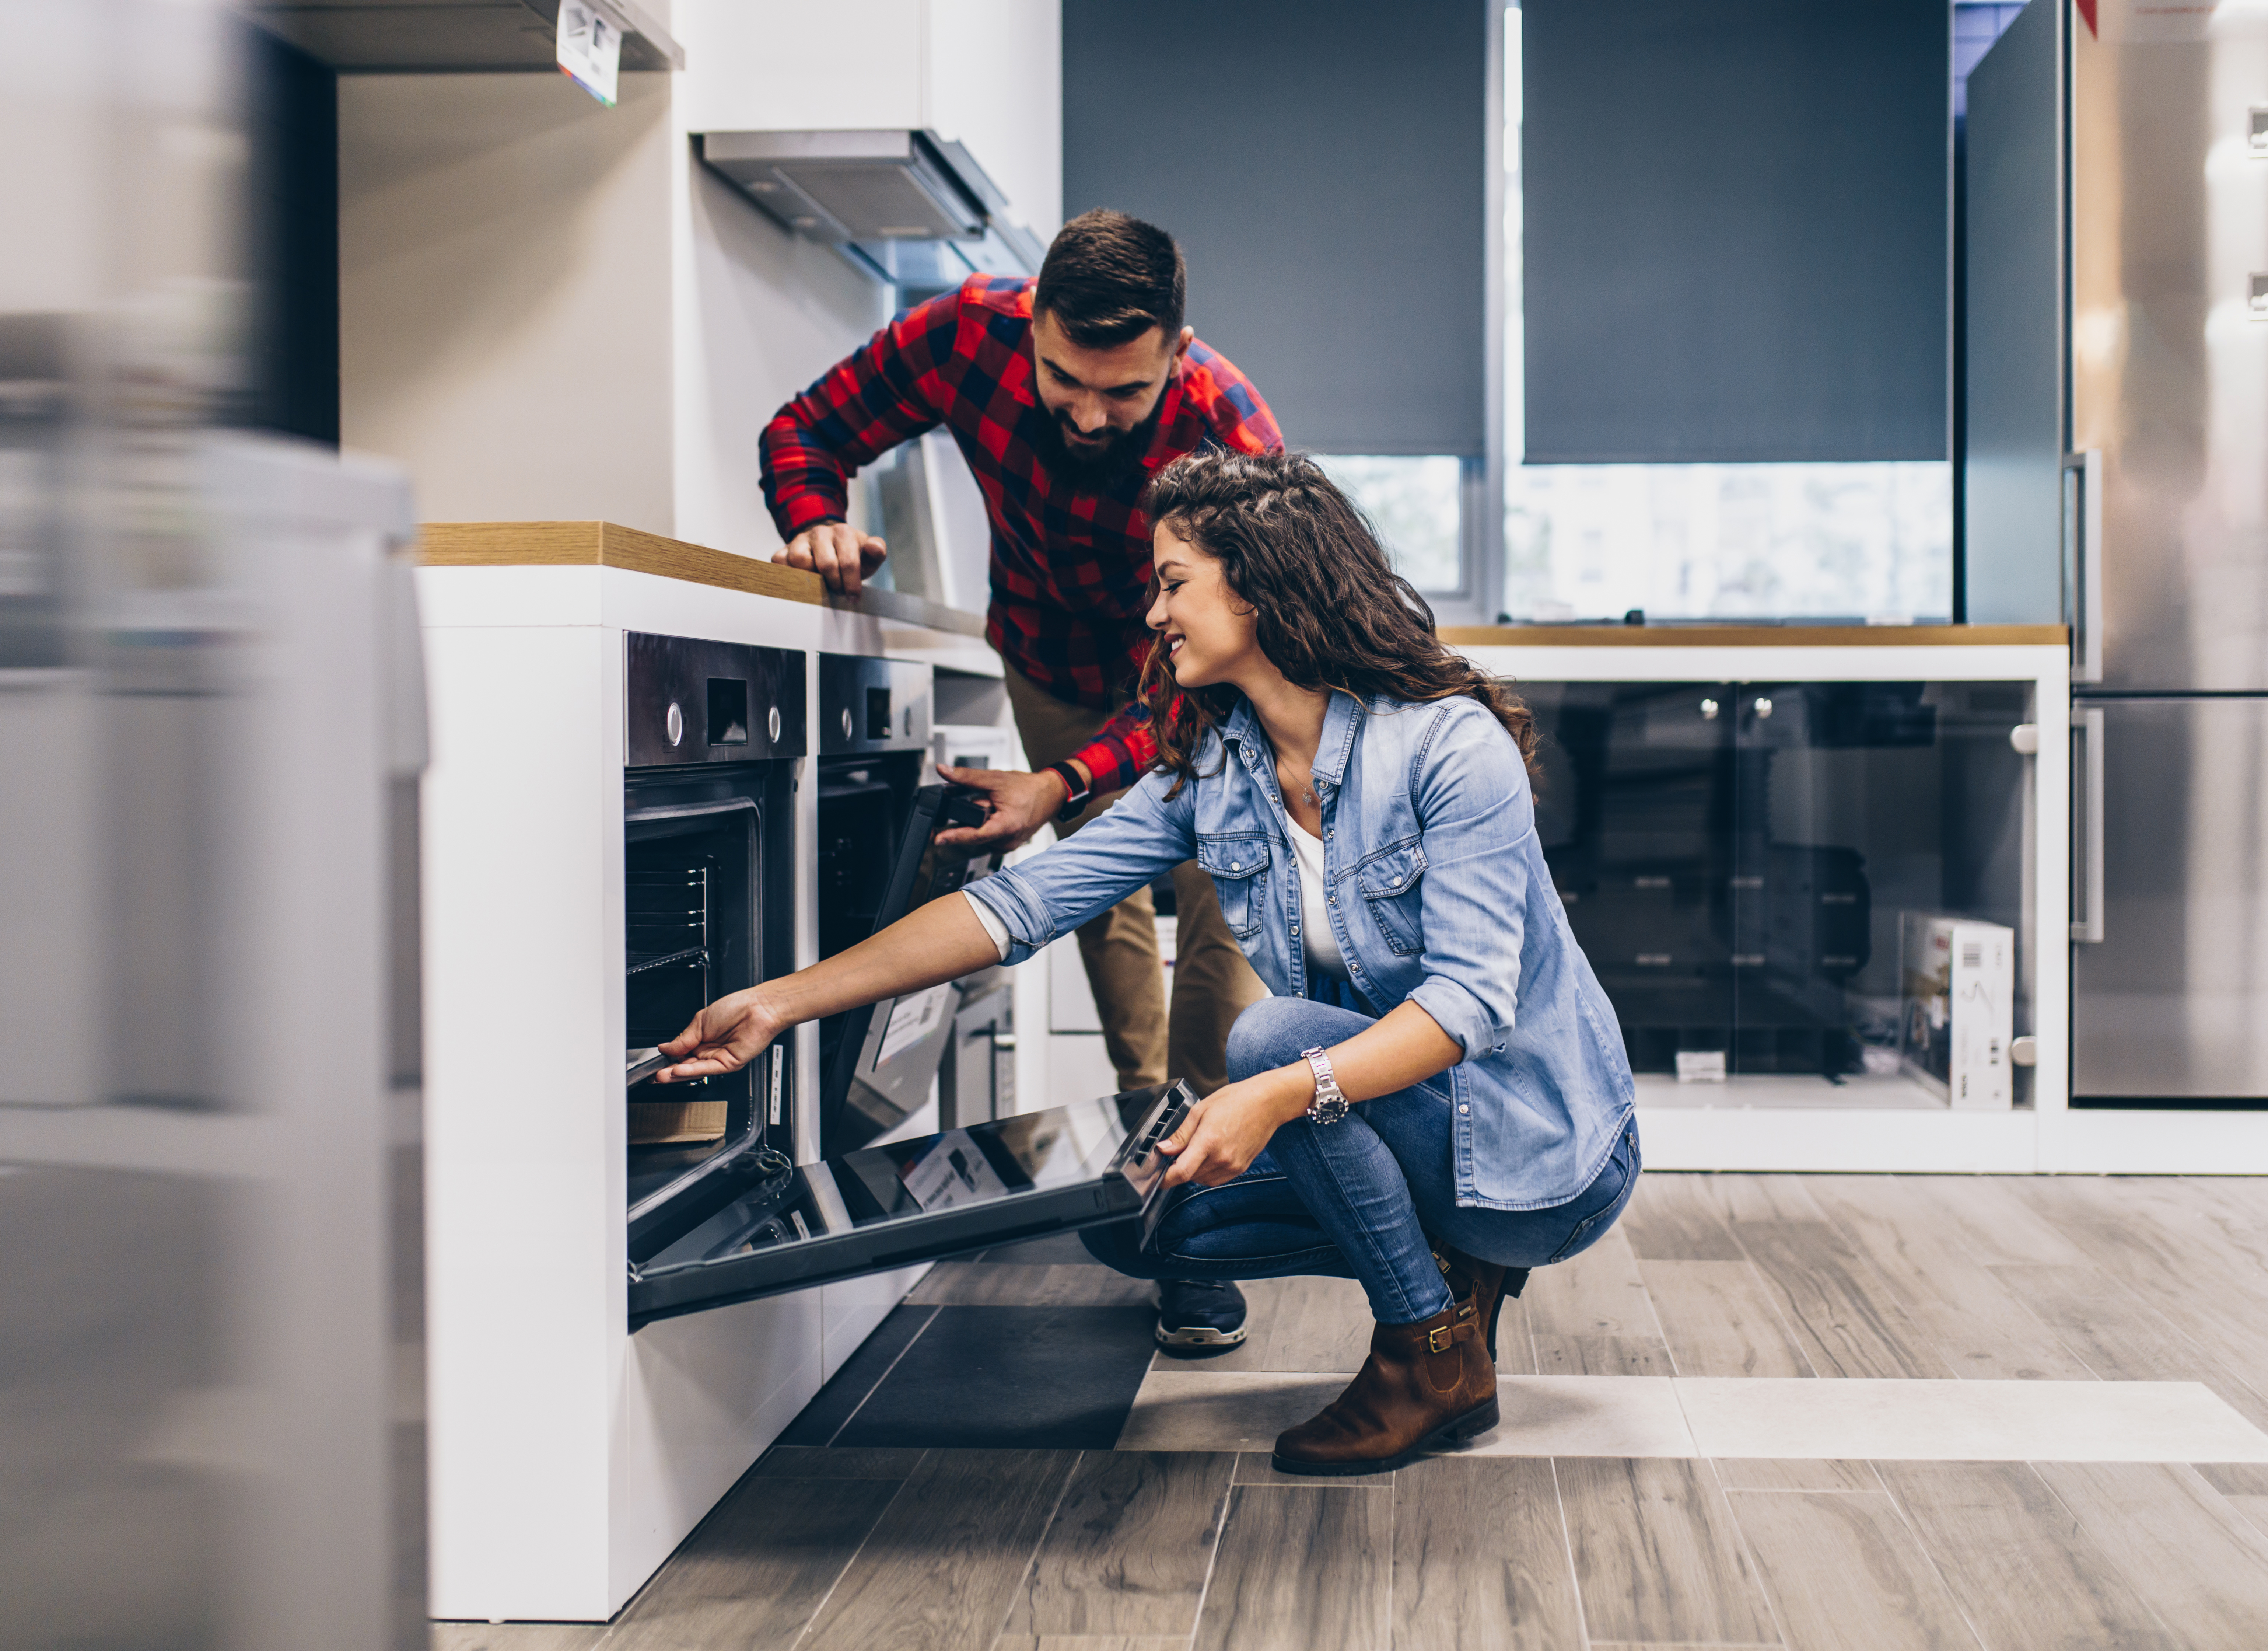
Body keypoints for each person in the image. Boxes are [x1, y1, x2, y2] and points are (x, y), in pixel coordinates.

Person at [655, 450, 1641, 1476]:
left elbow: (1468, 1004)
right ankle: (1439, 1266)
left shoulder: (1447, 747)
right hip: (1404, 1125)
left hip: (1545, 1154)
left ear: (1261, 586)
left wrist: (1272, 1096)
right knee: (1150, 1228)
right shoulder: (1222, 773)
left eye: (1174, 584)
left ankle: (1426, 1354)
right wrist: (777, 1004)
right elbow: (1021, 903)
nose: (1154, 614)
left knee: (1267, 1037)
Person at [760, 211, 1276, 1348]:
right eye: (1063, 378)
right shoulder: (963, 336)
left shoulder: (1230, 429)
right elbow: (804, 432)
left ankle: (1203, 1208)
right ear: (1032, 325)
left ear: (1176, 355)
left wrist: (1067, 778)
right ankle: (1160, 1157)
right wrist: (815, 524)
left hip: (1193, 672)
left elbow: (1233, 653)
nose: (1089, 414)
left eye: (1123, 393)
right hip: (1046, 654)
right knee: (1101, 899)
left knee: (1220, 898)